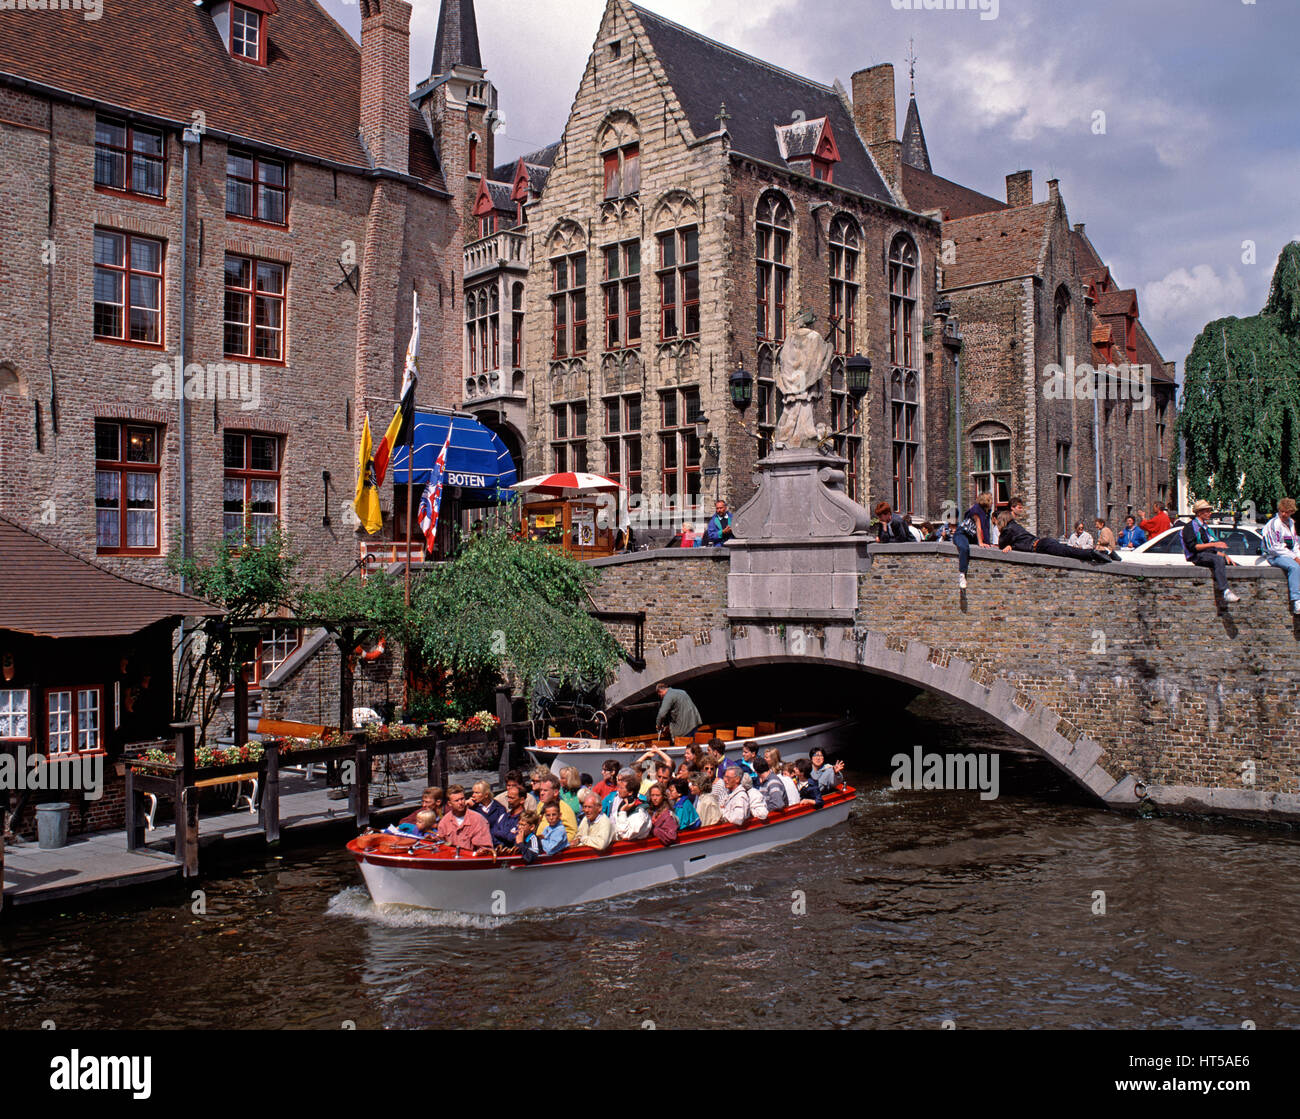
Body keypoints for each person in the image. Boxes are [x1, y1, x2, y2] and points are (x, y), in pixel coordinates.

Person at [998, 499, 1119, 564]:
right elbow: (1013, 542)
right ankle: (1104, 554)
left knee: (1067, 551)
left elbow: (1001, 544)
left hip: (1041, 546)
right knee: (1067, 550)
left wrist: (1008, 545)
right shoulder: (1014, 527)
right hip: (1043, 542)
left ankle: (1093, 554)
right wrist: (1011, 545)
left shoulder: (1009, 528)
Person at [1183, 498, 1239, 603]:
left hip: (1207, 554)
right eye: (1207, 511)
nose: (1210, 513)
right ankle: (1225, 591)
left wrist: (1223, 554)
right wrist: (1214, 544)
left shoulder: (1205, 527)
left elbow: (1210, 549)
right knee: (1218, 560)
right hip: (1197, 556)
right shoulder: (1190, 527)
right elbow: (1193, 547)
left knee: (1231, 563)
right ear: (1199, 513)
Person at [1263, 497, 1300, 615]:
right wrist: (1294, 558)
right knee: (1294, 568)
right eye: (1282, 511)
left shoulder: (1291, 523)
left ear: (1291, 512)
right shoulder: (1273, 524)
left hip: (1288, 554)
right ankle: (1296, 600)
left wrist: (1298, 556)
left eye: (1287, 512)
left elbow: (1295, 544)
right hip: (1275, 556)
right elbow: (1273, 547)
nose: (1284, 514)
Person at [953, 491, 994, 590]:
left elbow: (986, 528)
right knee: (964, 548)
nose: (992, 502)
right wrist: (980, 543)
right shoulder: (976, 509)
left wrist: (988, 543)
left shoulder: (987, 512)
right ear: (987, 500)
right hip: (962, 534)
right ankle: (962, 574)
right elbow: (979, 527)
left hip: (971, 536)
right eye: (991, 500)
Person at [436, 785, 493, 853]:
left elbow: (486, 849)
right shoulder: (444, 822)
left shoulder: (478, 819)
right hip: (451, 859)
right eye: (456, 801)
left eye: (462, 799)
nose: (460, 803)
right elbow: (440, 846)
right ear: (449, 803)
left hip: (472, 860)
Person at [537, 774, 579, 841]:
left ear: (555, 792)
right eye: (540, 790)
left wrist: (555, 842)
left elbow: (572, 832)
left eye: (545, 790)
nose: (541, 793)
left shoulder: (564, 809)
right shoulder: (541, 804)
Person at [612, 775, 653, 840]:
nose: (618, 790)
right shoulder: (624, 805)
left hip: (636, 848)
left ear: (630, 792)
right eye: (618, 787)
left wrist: (622, 812)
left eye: (621, 788)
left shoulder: (640, 814)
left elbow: (625, 836)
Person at [490, 781, 528, 847]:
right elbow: (492, 833)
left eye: (512, 798)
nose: (508, 800)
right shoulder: (503, 816)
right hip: (498, 851)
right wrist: (505, 835)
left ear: (522, 800)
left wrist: (499, 833)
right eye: (508, 797)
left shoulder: (525, 819)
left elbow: (514, 838)